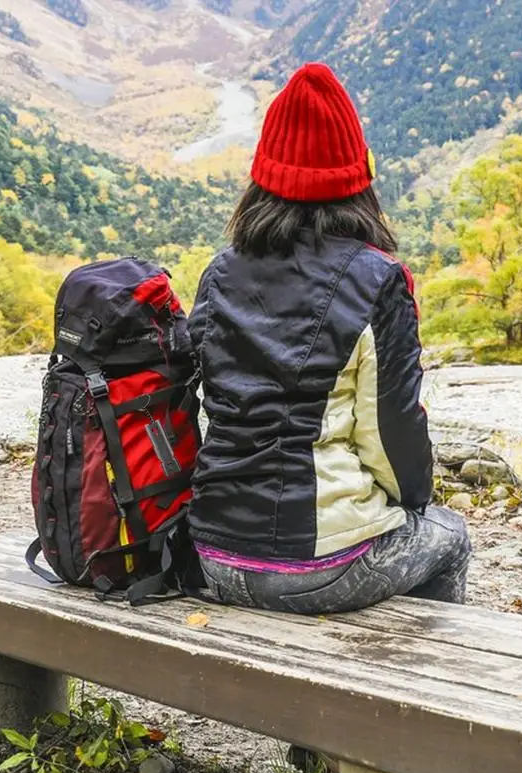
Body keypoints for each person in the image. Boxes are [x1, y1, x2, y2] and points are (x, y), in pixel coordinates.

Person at [187, 62, 471, 615]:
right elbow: (391, 432)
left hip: (210, 553)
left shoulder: (220, 271)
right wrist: (413, 501)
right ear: (357, 179)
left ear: (262, 178)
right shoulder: (378, 280)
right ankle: (416, 693)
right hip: (318, 565)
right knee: (449, 536)